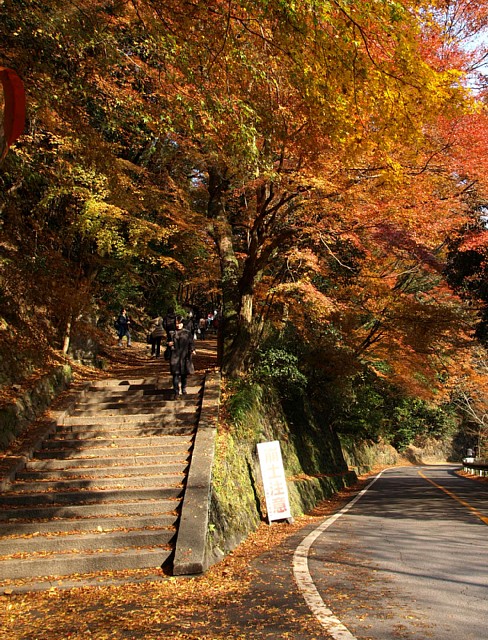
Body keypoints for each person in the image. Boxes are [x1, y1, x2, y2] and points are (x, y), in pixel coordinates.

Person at [168, 315, 195, 397]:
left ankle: (184, 388)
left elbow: (191, 343)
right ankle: (176, 391)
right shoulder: (172, 333)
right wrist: (169, 344)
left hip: (184, 356)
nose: (178, 325)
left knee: (184, 374)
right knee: (175, 374)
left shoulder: (187, 333)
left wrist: (192, 350)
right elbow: (167, 343)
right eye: (176, 323)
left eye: (179, 323)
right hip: (175, 355)